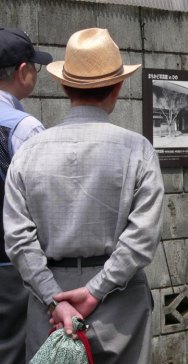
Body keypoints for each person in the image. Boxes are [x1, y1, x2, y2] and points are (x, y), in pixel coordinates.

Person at [3, 28, 164, 363]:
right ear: (119, 86)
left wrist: (53, 298)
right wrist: (95, 291)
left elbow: (18, 240)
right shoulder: (138, 150)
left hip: (50, 300)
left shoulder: (29, 151)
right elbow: (142, 238)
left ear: (63, 86)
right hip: (121, 302)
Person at [0, 27, 52, 364]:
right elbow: (45, 202)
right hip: (9, 268)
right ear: (23, 72)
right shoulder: (22, 127)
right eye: (34, 67)